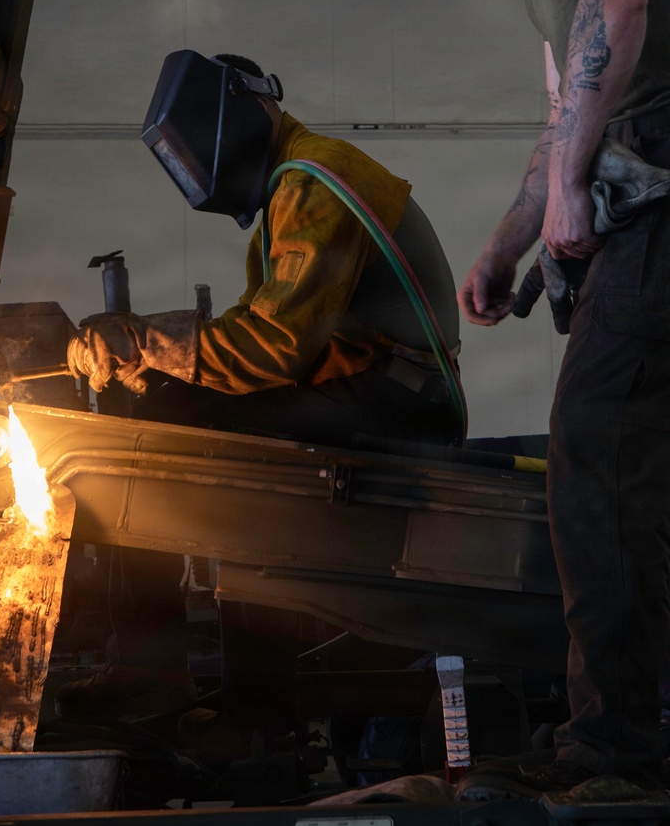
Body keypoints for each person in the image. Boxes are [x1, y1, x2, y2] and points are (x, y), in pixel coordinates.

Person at [369, 0, 670, 793]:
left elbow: (620, 7)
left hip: (655, 213)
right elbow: (563, 112)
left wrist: (582, 183)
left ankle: (621, 754)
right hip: (626, 217)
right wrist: (503, 245)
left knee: (594, 459)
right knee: (620, 474)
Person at [56, 50, 460, 729]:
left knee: (161, 439)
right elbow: (259, 335)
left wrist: (142, 344)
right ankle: (209, 685)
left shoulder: (316, 181)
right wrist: (152, 361)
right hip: (375, 387)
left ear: (250, 110)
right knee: (168, 407)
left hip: (403, 403)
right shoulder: (291, 189)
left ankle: (165, 676)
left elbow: (274, 347)